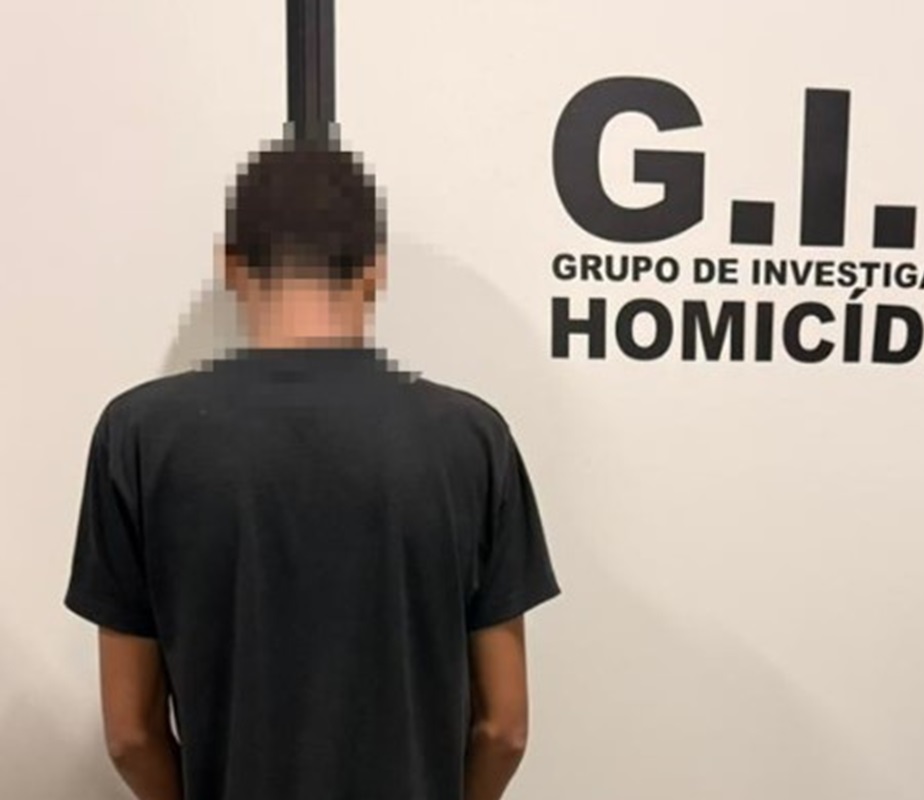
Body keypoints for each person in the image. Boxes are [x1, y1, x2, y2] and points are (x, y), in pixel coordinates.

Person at [63, 141, 561, 800]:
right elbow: (504, 729)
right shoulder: (472, 440)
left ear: (232, 267)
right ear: (375, 270)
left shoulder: (138, 436)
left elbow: (131, 735)